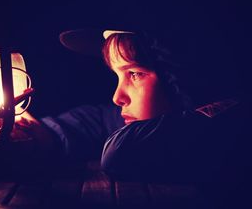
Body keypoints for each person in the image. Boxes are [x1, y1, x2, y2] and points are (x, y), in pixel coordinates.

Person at [15, 28, 250, 188]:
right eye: (118, 75)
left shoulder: (229, 126)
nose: (118, 97)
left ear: (180, 78)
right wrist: (36, 132)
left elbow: (122, 151)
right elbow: (96, 120)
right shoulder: (153, 116)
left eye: (135, 74)